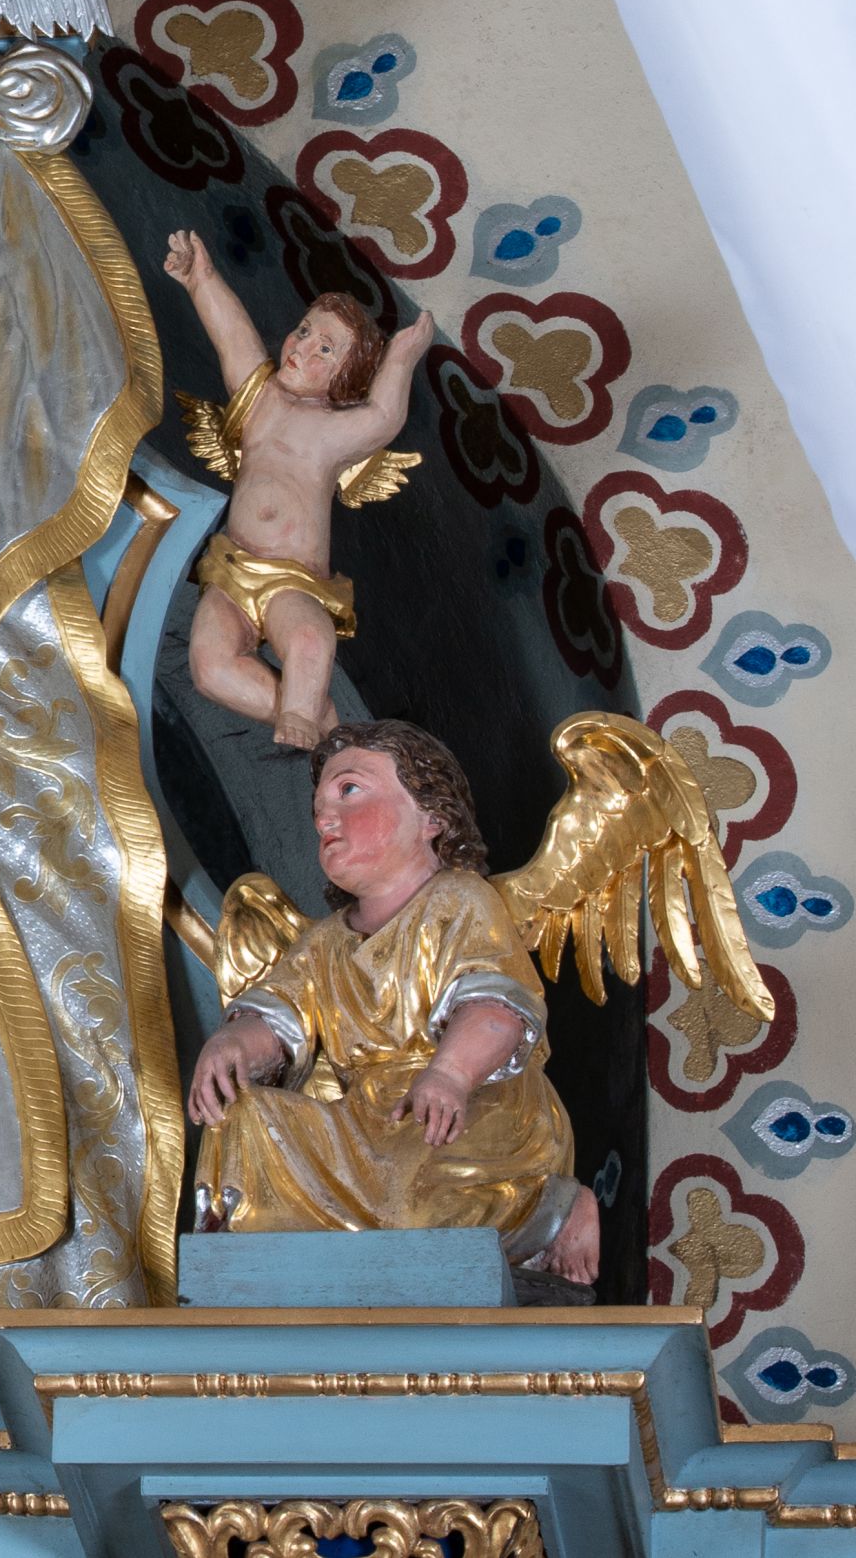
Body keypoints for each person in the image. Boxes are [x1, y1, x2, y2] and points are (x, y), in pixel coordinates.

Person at [190, 720, 600, 1282]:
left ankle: (551, 1212)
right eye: (319, 809)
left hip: (468, 1110)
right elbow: (277, 1019)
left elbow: (496, 1008)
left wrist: (450, 1073)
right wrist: (232, 1045)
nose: (325, 819)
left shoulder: (460, 900)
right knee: (243, 1117)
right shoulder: (324, 943)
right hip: (365, 1124)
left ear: (433, 817)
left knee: (415, 1207)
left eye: (350, 791)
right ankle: (258, 1267)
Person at [165, 229, 434, 749]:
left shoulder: (333, 431)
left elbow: (383, 415)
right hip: (232, 569)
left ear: (346, 378)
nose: (301, 347)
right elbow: (233, 336)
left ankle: (303, 715)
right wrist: (202, 278)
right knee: (210, 669)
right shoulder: (261, 402)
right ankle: (313, 713)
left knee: (310, 639)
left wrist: (402, 357)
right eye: (304, 331)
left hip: (294, 579)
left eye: (324, 349)